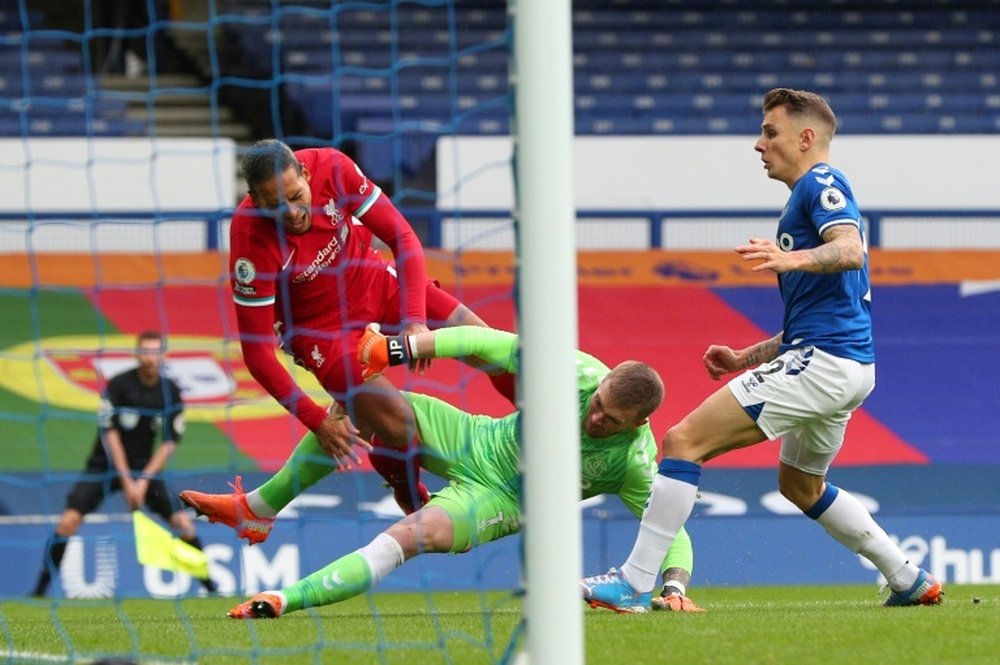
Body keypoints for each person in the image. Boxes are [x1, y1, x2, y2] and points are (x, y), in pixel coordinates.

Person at [581, 88, 943, 610]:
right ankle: (907, 577)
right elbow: (815, 319)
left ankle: (633, 582)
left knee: (683, 440)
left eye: (770, 132)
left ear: (806, 137)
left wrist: (790, 259)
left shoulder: (822, 182)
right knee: (800, 485)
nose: (759, 144)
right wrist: (745, 358)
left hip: (823, 365)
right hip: (846, 365)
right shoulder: (805, 199)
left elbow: (850, 248)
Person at [223, 324, 703, 618]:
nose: (595, 417)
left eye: (610, 420)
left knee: (410, 537)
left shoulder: (635, 460)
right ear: (601, 384)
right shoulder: (577, 373)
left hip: (501, 500)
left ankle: (284, 600)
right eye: (598, 405)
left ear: (638, 423)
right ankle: (259, 509)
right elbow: (483, 342)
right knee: (358, 407)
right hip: (475, 436)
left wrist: (675, 584)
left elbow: (667, 528)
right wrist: (398, 348)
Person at [201, 139, 514, 531]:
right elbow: (258, 355)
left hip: (373, 281)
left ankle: (538, 433)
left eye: (297, 196)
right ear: (255, 200)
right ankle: (408, 493)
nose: (292, 212)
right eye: (275, 206)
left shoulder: (334, 167)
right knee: (396, 422)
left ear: (305, 173)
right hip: (321, 332)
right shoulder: (251, 241)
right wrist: (317, 420)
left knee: (487, 343)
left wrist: (416, 321)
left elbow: (403, 237)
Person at [31, 331, 216, 596]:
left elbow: (169, 442)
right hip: (103, 467)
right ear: (136, 354)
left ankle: (211, 588)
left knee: (183, 523)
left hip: (145, 470)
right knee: (68, 522)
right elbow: (110, 434)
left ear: (164, 356)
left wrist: (142, 482)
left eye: (155, 352)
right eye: (145, 352)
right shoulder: (119, 385)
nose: (150, 359)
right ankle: (39, 591)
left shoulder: (170, 391)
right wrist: (128, 481)